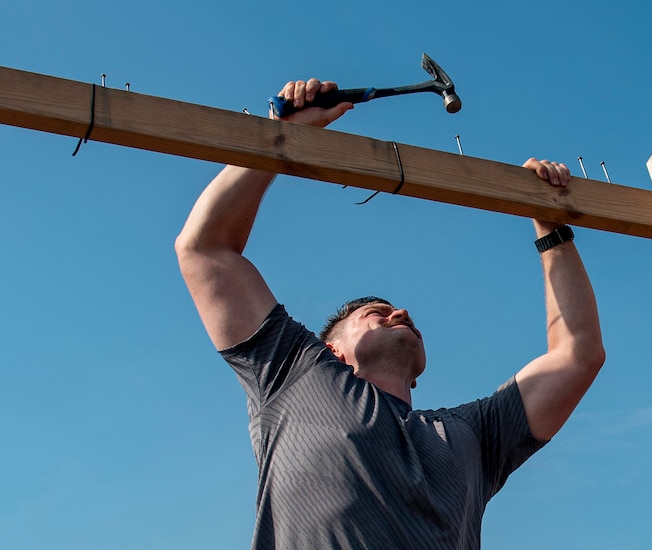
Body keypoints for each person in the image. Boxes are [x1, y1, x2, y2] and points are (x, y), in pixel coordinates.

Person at [175, 78, 605, 549]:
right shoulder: (295, 376)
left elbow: (577, 355)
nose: (399, 312)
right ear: (334, 352)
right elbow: (205, 249)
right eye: (376, 313)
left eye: (398, 311)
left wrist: (551, 229)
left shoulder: (473, 436)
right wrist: (284, 133)